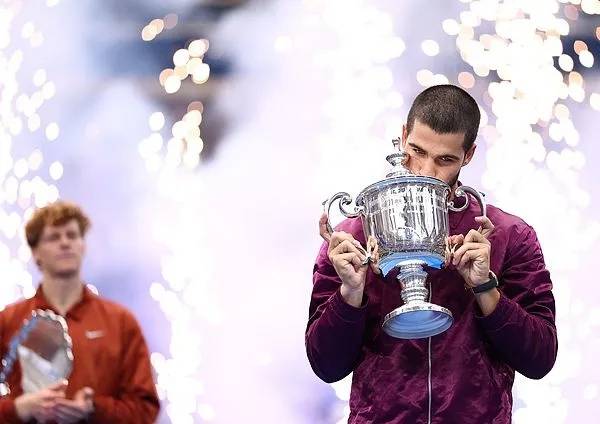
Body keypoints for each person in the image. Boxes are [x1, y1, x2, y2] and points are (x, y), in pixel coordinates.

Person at [306, 85, 557, 423]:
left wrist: (485, 288)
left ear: (468, 155)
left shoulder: (507, 235)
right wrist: (349, 294)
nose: (425, 170)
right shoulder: (352, 237)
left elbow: (540, 359)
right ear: (403, 136)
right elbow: (326, 366)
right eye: (417, 151)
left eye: (445, 160)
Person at [0, 201, 160, 423]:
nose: (65, 243)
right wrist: (18, 409)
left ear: (83, 246)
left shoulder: (120, 322)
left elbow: (145, 408)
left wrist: (95, 409)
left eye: (72, 235)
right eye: (53, 237)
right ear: (35, 252)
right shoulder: (9, 321)